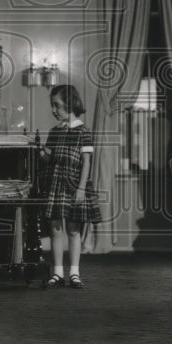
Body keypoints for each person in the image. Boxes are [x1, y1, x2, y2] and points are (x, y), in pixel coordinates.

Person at [39, 84, 101, 289]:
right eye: (51, 106)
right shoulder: (54, 132)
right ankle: (57, 272)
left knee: (73, 229)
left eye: (57, 105)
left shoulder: (83, 131)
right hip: (56, 184)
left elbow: (87, 162)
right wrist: (40, 150)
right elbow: (49, 159)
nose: (54, 110)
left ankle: (74, 272)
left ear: (70, 103)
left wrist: (82, 188)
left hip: (75, 184)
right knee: (56, 228)